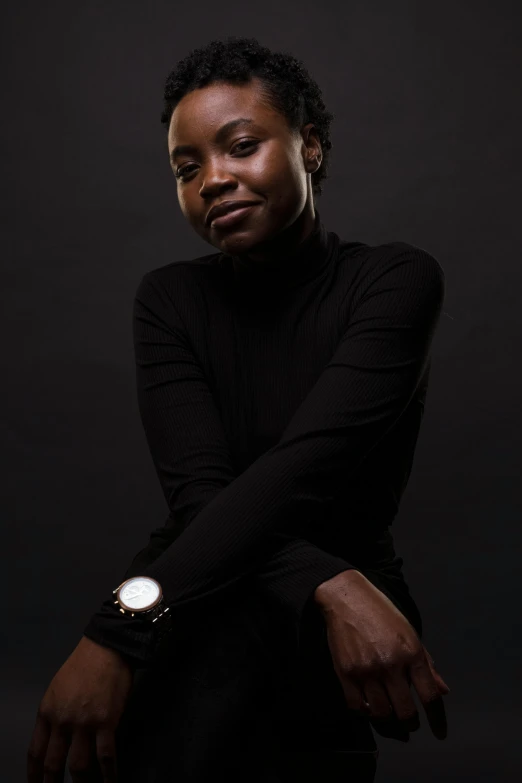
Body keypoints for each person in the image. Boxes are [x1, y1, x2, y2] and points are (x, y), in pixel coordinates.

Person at [27, 36, 450, 783]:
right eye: (186, 169)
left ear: (310, 146)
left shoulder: (395, 281)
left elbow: (297, 476)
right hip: (197, 575)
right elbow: (200, 500)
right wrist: (330, 579)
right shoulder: (169, 299)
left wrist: (116, 630)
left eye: (242, 146)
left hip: (258, 599)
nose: (213, 180)